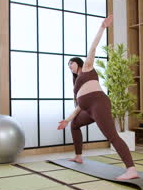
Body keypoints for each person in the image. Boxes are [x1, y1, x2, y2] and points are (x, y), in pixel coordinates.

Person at [57, 15, 138, 180]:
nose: (69, 66)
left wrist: (102, 28)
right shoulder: (76, 83)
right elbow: (79, 106)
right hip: (87, 108)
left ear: (79, 62)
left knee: (112, 135)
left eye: (71, 62)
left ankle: (131, 169)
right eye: (68, 65)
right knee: (74, 125)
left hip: (98, 104)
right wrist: (67, 119)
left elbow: (92, 48)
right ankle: (78, 156)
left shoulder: (87, 68)